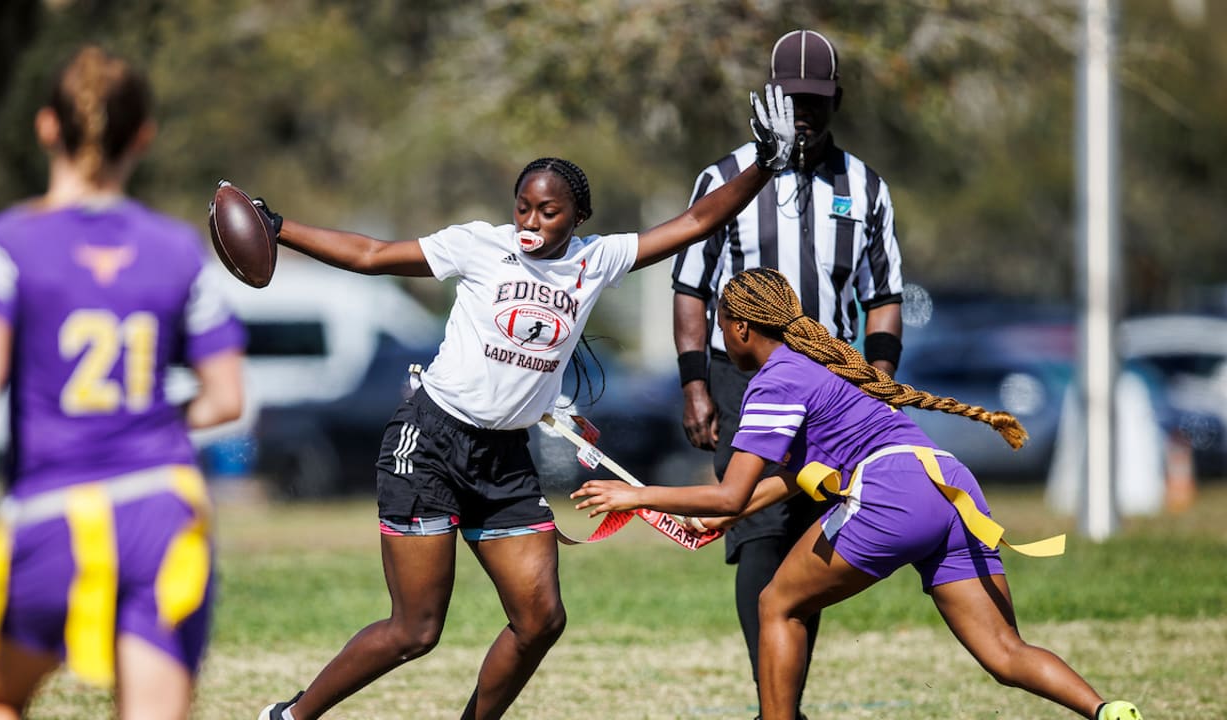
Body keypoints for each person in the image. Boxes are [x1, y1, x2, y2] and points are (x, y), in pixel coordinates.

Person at [249, 86, 797, 720]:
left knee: (540, 619)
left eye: (549, 213)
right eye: (524, 209)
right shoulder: (479, 245)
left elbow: (696, 222)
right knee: (416, 630)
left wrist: (764, 161)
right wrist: (279, 227)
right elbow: (372, 256)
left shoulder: (598, 260)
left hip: (504, 457)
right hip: (428, 442)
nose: (532, 224)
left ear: (578, 218)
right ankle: (288, 717)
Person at [573, 267, 1144, 720]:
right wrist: (733, 513)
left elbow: (728, 493)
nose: (722, 338)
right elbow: (790, 474)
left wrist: (637, 496)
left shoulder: (774, 380)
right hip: (949, 484)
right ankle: (1108, 710)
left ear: (742, 329)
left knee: (777, 604)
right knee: (1004, 652)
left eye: (722, 327)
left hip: (891, 493)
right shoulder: (822, 365)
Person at [0, 46, 247, 720]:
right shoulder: (178, 250)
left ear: (47, 126)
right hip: (162, 511)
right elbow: (227, 398)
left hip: (52, 509)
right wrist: (143, 423)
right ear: (144, 135)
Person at [669, 28, 904, 717]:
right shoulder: (724, 179)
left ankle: (782, 702)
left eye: (818, 101)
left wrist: (880, 378)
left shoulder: (864, 186)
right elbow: (691, 286)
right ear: (768, 98)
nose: (805, 113)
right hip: (745, 377)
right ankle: (777, 704)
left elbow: (884, 295)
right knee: (755, 530)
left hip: (831, 383)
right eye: (792, 100)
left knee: (812, 532)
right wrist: (694, 383)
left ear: (838, 101)